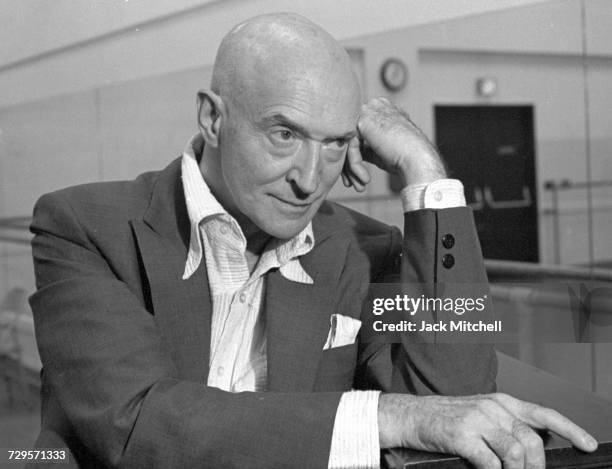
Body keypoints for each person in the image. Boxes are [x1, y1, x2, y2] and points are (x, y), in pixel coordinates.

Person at [29, 12, 596, 469]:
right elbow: (136, 427)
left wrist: (424, 171)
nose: (309, 177)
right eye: (284, 134)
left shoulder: (358, 246)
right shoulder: (85, 225)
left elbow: (454, 392)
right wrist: (387, 417)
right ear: (212, 117)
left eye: (334, 144)